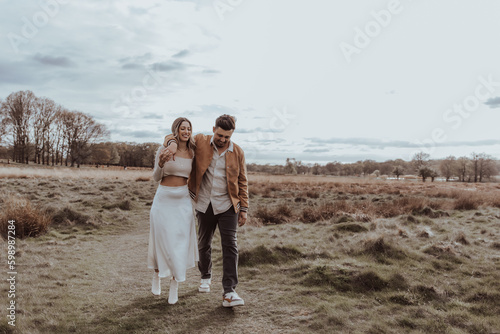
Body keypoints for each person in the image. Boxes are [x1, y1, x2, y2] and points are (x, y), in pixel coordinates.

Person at [163, 114, 249, 308]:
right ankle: (205, 276)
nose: (223, 140)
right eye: (220, 135)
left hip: (228, 205)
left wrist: (243, 208)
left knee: (230, 245)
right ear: (213, 129)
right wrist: (171, 144)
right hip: (204, 203)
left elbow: (242, 181)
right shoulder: (200, 141)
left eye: (227, 137)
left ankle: (229, 290)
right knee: (203, 244)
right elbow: (174, 136)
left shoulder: (238, 152)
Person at [147, 117, 199, 305]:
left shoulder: (194, 153)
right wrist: (161, 163)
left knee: (179, 244)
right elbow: (155, 177)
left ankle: (175, 283)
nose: (186, 131)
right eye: (182, 128)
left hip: (182, 201)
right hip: (163, 199)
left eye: (189, 128)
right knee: (161, 241)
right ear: (176, 130)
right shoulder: (164, 149)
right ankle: (157, 275)